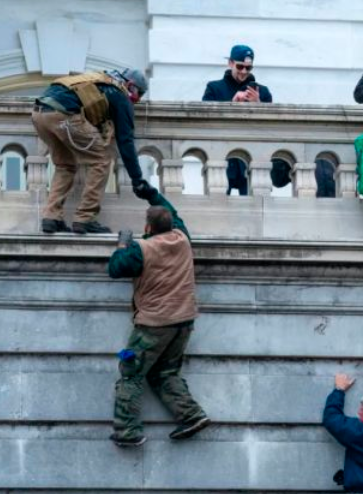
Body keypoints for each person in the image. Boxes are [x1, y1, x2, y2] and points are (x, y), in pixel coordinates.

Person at [107, 185, 210, 447]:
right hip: (184, 322)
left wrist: (122, 244)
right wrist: (152, 194)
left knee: (131, 373)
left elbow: (116, 268)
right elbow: (172, 212)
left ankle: (126, 431)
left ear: (148, 227)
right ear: (170, 224)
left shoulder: (141, 249)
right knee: (165, 372)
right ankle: (191, 415)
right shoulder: (182, 237)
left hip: (153, 325)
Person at [33, 68, 151, 234]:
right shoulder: (120, 95)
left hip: (39, 114)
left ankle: (51, 218)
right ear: (131, 86)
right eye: (140, 94)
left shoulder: (97, 79)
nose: (138, 100)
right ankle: (85, 218)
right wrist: (137, 179)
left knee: (65, 165)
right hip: (63, 115)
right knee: (101, 159)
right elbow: (125, 141)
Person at [203, 44, 272, 195]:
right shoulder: (214, 88)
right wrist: (231, 105)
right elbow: (205, 121)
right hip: (222, 158)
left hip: (252, 160)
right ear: (230, 63)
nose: (244, 72)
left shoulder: (263, 92)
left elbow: (269, 128)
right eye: (240, 66)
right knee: (218, 210)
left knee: (255, 212)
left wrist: (258, 105)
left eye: (248, 68)